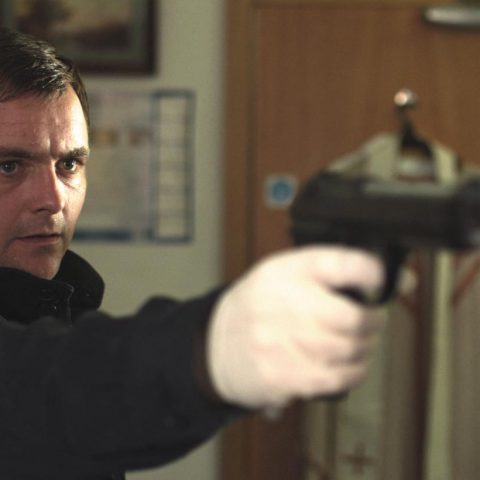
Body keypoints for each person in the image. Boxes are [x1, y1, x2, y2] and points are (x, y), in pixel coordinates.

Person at [0, 27, 385, 480]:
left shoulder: (62, 303)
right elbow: (49, 388)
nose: (53, 199)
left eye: (69, 164)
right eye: (9, 166)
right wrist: (216, 347)